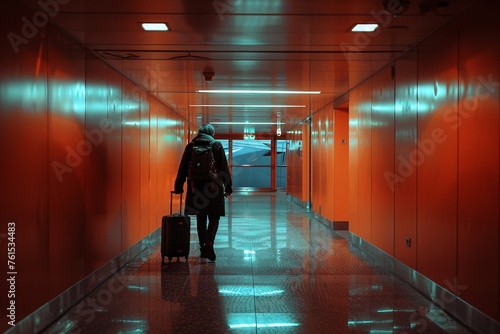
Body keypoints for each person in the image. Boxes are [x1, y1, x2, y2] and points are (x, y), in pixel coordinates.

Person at [174, 124, 232, 261]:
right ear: (212, 133)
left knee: (201, 217)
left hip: (196, 186)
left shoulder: (190, 146)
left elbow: (182, 168)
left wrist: (178, 186)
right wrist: (228, 187)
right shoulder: (216, 145)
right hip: (214, 187)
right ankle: (209, 242)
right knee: (214, 216)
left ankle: (202, 247)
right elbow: (224, 168)